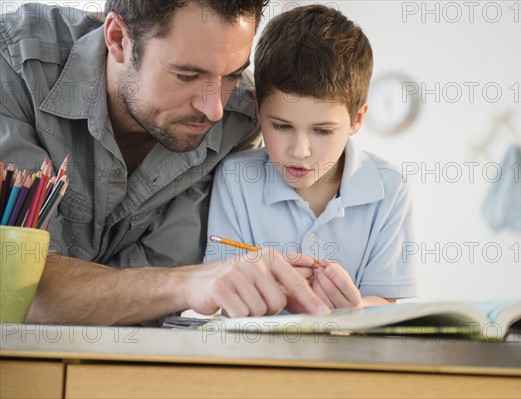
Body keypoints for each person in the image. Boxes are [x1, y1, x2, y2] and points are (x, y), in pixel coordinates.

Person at [0, 0, 329, 325]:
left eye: (232, 75)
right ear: (118, 39)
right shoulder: (13, 68)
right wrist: (186, 283)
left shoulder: (239, 120)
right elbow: (17, 290)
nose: (214, 109)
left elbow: (150, 304)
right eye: (187, 76)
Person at [204, 5, 417, 309]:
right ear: (257, 108)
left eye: (322, 131)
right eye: (281, 126)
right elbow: (220, 295)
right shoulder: (235, 178)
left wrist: (352, 311)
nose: (299, 151)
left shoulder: (390, 187)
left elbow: (383, 301)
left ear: (357, 119)